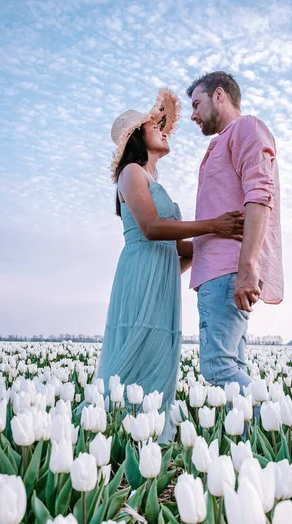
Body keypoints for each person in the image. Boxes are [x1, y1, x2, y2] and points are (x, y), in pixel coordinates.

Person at [90, 89, 244, 441]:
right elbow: (151, 228)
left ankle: (147, 432)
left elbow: (179, 251)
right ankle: (115, 433)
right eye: (154, 125)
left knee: (160, 350)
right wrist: (213, 226)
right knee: (136, 347)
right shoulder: (130, 173)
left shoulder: (154, 181)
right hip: (139, 272)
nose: (163, 128)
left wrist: (221, 245)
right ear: (135, 138)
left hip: (162, 279)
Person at [187, 72, 284, 393]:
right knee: (232, 367)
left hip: (228, 270)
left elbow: (260, 195)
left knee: (218, 368)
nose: (193, 115)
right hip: (218, 272)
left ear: (219, 96)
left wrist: (248, 267)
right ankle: (250, 443)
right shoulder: (220, 143)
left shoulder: (246, 128)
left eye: (197, 104)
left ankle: (277, 423)